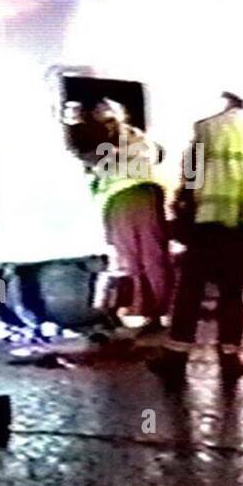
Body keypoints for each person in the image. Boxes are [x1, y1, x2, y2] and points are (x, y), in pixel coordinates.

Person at [150, 92, 243, 387]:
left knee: (191, 290)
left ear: (225, 100)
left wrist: (181, 206)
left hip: (208, 222)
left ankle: (176, 356)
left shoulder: (206, 127)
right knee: (233, 293)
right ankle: (230, 358)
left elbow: (192, 172)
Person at [72, 98, 172, 330]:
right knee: (154, 255)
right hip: (148, 193)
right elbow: (156, 155)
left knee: (132, 257)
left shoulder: (106, 138)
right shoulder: (138, 136)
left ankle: (143, 309)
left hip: (123, 197)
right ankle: (161, 310)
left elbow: (88, 156)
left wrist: (74, 126)